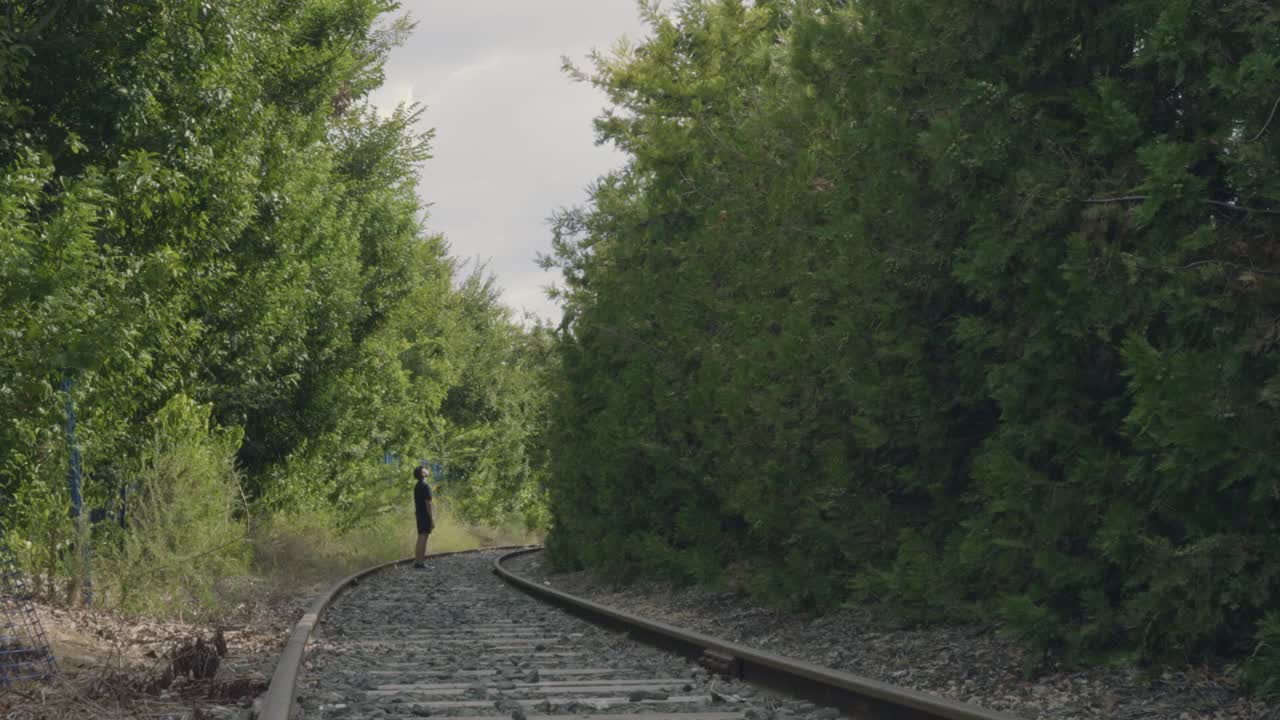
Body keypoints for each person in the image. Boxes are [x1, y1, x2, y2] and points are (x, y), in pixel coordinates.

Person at [412, 465, 434, 569]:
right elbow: (428, 503)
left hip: (419, 514)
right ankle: (421, 563)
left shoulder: (417, 486)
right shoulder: (425, 486)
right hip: (425, 514)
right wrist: (431, 518)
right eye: (424, 469)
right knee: (424, 537)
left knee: (420, 536)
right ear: (422, 473)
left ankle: (418, 561)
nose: (427, 469)